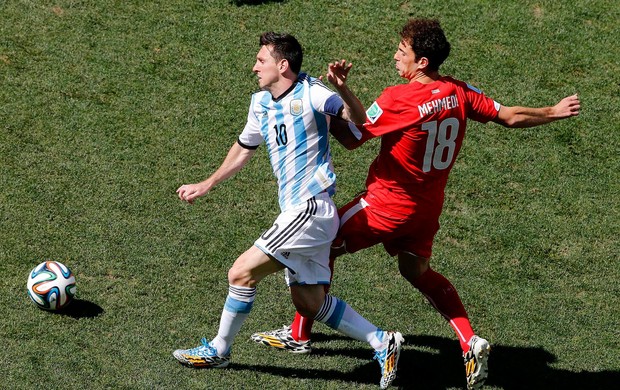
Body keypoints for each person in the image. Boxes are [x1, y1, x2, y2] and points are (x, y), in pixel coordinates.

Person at [250, 19, 581, 390]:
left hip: (385, 206)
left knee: (319, 242)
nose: (395, 56)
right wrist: (552, 111)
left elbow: (355, 136)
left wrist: (324, 112)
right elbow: (508, 115)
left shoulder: (400, 98)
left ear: (421, 62)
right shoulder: (456, 91)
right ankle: (470, 341)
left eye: (402, 52)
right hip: (426, 210)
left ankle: (300, 334)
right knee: (417, 273)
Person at [172, 32, 404, 390]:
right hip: (302, 213)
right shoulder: (260, 103)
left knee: (241, 273)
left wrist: (342, 88)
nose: (254, 67)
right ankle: (381, 340)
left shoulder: (312, 92)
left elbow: (361, 122)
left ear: (283, 65)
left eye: (261, 60)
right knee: (310, 302)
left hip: (309, 208)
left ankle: (219, 349)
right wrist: (207, 183)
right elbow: (244, 148)